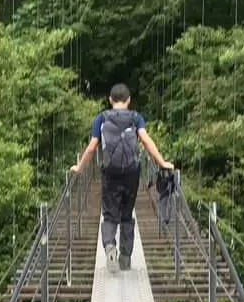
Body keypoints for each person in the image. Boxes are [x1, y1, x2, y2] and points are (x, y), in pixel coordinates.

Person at [71, 83, 173, 272]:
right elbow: (146, 140)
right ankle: (125, 257)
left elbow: (93, 146)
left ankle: (110, 246)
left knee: (110, 213)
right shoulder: (136, 118)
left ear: (110, 99)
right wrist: (162, 162)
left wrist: (79, 167)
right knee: (127, 214)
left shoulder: (101, 118)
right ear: (128, 100)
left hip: (110, 173)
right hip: (131, 173)